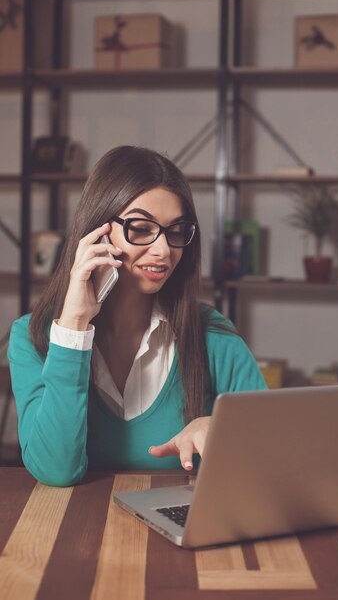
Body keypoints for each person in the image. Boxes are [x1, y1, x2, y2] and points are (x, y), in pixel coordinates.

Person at [8, 145, 267, 486]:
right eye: (141, 228)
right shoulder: (32, 337)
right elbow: (56, 470)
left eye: (176, 232)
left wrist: (222, 431)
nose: (164, 251)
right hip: (77, 532)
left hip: (182, 530)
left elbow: (275, 451)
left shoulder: (212, 334)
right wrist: (73, 328)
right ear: (98, 232)